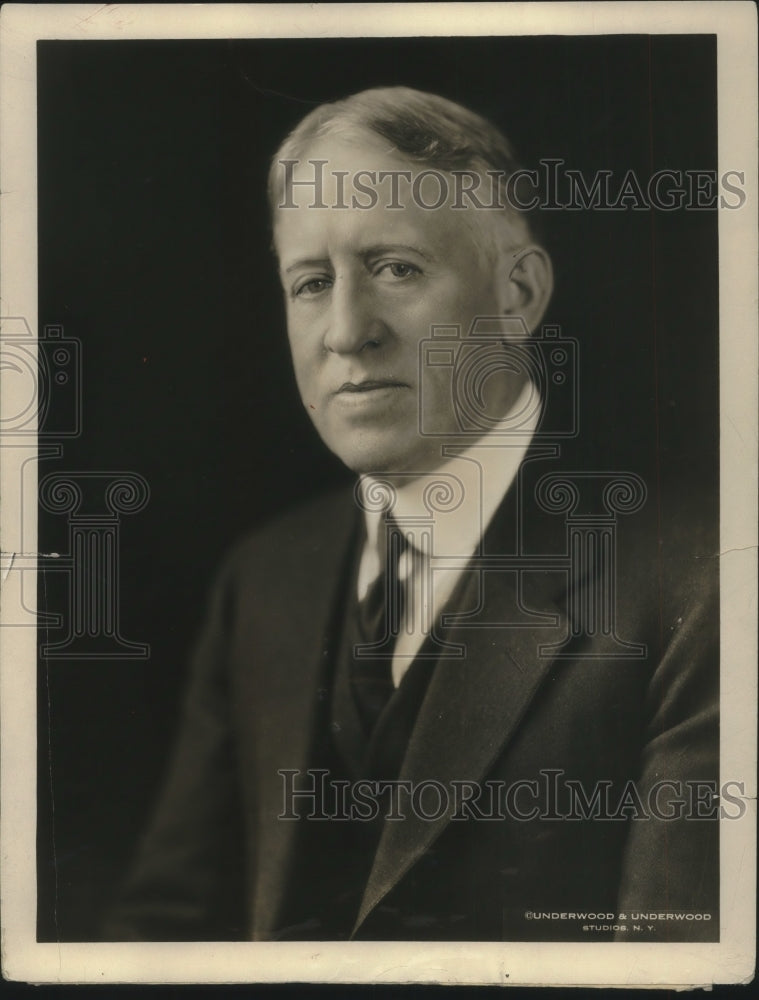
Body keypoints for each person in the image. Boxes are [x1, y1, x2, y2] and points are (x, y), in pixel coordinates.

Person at [105, 87, 718, 943]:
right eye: (311, 283)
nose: (347, 331)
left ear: (518, 294)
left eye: (396, 268)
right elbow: (160, 935)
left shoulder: (702, 577)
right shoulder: (266, 576)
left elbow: (674, 962)